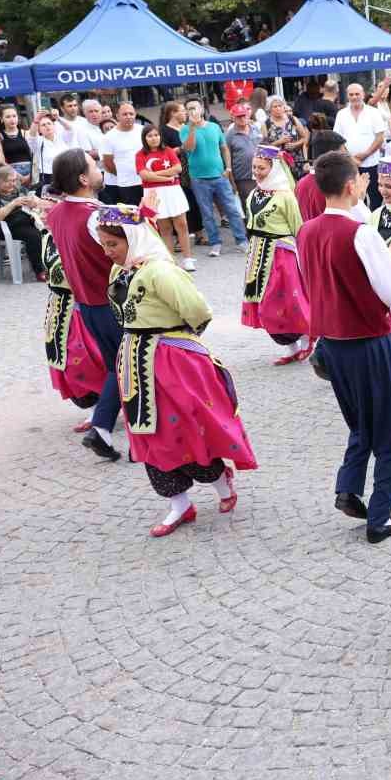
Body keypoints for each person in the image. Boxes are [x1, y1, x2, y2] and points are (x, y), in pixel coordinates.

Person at [94, 205, 258, 537]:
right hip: (134, 360)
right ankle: (179, 503)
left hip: (169, 361)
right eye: (104, 244)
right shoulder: (118, 273)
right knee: (149, 434)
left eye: (113, 244)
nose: (107, 251)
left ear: (135, 238)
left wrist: (177, 343)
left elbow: (198, 311)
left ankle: (220, 483)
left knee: (185, 428)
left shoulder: (160, 272)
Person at [295, 152, 391, 544]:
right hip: (369, 341)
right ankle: (380, 516)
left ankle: (348, 486)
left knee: (361, 421)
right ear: (350, 185)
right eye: (361, 179)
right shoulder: (361, 231)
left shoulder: (307, 230)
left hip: (333, 342)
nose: (365, 183)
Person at [48, 150, 125, 461]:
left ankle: (103, 428)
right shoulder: (97, 215)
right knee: (129, 365)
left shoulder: (57, 213)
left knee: (117, 367)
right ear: (83, 179)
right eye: (94, 167)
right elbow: (126, 252)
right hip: (111, 303)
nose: (100, 169)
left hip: (86, 305)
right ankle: (110, 428)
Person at [241, 146, 314, 365]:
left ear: (273, 168)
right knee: (264, 302)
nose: (257, 172)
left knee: (286, 301)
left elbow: (297, 227)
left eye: (261, 168)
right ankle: (290, 347)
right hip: (257, 252)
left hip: (280, 254)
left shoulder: (285, 197)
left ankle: (306, 337)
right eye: (254, 167)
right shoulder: (254, 193)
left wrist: (302, 256)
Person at [39, 229, 107, 415]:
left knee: (89, 360)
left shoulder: (87, 229)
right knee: (68, 362)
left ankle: (106, 408)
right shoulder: (47, 236)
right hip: (61, 310)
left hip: (87, 306)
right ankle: (98, 409)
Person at [182, 98, 248, 258]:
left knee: (231, 209)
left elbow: (224, 148)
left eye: (195, 108)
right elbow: (189, 148)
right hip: (199, 178)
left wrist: (228, 168)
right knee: (207, 213)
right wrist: (192, 127)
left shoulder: (214, 127)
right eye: (189, 108)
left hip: (219, 175)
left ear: (202, 109)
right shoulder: (184, 129)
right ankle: (215, 243)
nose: (192, 111)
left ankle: (241, 240)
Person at [135, 122, 196, 271]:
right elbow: (144, 175)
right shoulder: (140, 154)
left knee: (181, 224)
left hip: (173, 191)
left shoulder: (168, 150)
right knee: (164, 227)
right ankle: (170, 260)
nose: (154, 138)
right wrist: (166, 177)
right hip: (153, 193)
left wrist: (154, 175)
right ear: (144, 138)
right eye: (150, 136)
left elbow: (178, 168)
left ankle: (188, 259)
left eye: (156, 135)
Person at [0, 165, 47, 276]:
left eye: (14, 180)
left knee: (45, 230)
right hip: (1, 229)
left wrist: (34, 203)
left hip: (22, 224)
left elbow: (40, 202)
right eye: (8, 181)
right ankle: (40, 271)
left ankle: (51, 266)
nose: (12, 183)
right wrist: (13, 204)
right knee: (33, 234)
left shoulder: (18, 190)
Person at [333, 83, 386, 188]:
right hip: (349, 165)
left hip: (372, 163)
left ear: (363, 94)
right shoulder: (341, 114)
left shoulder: (374, 112)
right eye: (351, 94)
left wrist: (365, 154)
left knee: (374, 198)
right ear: (347, 96)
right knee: (354, 199)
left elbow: (380, 137)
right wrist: (351, 159)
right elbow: (337, 140)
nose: (354, 97)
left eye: (357, 94)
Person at [99, 102, 144, 205]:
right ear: (117, 116)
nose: (128, 117)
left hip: (146, 181)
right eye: (124, 114)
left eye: (131, 114)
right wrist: (123, 174)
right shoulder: (109, 137)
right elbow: (108, 163)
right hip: (127, 185)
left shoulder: (142, 130)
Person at [226, 102, 261, 201]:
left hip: (261, 173)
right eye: (239, 116)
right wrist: (232, 182)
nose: (242, 118)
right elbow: (227, 159)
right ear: (233, 118)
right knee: (249, 204)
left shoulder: (255, 129)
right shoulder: (230, 135)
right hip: (243, 177)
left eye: (243, 115)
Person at [260, 96, 309, 166]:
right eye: (275, 106)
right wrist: (279, 142)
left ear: (284, 107)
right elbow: (264, 148)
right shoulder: (266, 124)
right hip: (277, 163)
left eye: (280, 106)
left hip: (296, 161)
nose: (278, 108)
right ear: (270, 109)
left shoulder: (292, 119)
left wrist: (295, 145)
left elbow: (304, 138)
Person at [0, 105, 34, 182]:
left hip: (31, 170)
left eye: (14, 116)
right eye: (8, 117)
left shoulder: (25, 133)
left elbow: (34, 155)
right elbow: (1, 161)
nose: (12, 119)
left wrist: (31, 174)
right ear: (1, 119)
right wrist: (17, 175)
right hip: (11, 172)